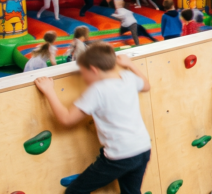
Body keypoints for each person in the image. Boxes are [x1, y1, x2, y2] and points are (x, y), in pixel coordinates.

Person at [34, 44, 152, 194]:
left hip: (120, 155)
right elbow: (146, 85)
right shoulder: (128, 78)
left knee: (74, 192)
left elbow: (66, 119)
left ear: (94, 70)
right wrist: (130, 64)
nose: (83, 78)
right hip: (142, 149)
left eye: (84, 73)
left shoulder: (97, 90)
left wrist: (49, 91)